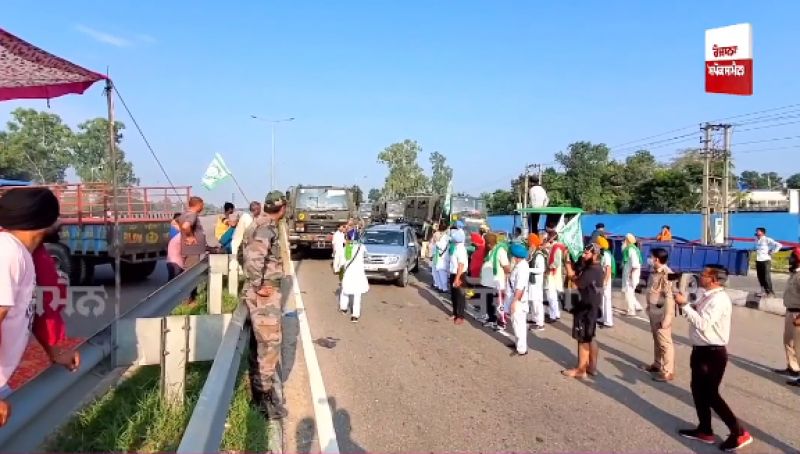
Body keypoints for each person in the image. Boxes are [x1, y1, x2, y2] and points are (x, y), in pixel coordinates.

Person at [0, 188, 79, 427]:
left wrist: (54, 351)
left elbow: (27, 311)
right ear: (44, 220)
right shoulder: (9, 253)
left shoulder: (23, 253)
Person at [675, 265, 753, 451]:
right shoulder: (707, 295)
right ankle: (705, 430)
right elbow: (700, 315)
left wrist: (685, 305)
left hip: (713, 353)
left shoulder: (719, 300)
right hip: (701, 350)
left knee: (711, 395)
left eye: (705, 275)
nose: (701, 276)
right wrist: (688, 305)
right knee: (697, 390)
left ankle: (738, 432)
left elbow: (703, 323)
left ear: (715, 279)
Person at [242, 191, 289, 420]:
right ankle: (264, 398)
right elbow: (253, 258)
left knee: (259, 344)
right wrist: (257, 284)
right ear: (283, 208)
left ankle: (259, 393)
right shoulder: (265, 227)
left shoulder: (259, 223)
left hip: (261, 292)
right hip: (264, 295)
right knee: (270, 345)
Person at [561, 244, 604, 379]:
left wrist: (568, 267)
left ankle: (581, 369)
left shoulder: (591, 270)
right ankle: (592, 367)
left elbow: (576, 283)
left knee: (583, 339)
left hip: (585, 307)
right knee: (590, 337)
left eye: (587, 254)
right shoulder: (597, 268)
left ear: (595, 255)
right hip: (593, 306)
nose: (584, 256)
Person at [644, 248, 676, 382]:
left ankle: (668, 371)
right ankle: (657, 364)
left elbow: (670, 297)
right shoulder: (654, 272)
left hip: (662, 313)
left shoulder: (667, 274)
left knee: (665, 343)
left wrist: (667, 317)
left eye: (651, 257)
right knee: (656, 339)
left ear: (656, 259)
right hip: (653, 311)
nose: (649, 259)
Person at [334, 229, 369, 322]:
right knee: (357, 295)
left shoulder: (347, 248)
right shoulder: (361, 247)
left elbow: (342, 262)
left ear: (348, 237)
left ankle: (344, 308)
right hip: (359, 274)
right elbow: (366, 256)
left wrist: (340, 268)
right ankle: (355, 316)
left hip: (349, 273)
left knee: (345, 291)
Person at [777, 246, 800, 383]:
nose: (789, 260)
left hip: (798, 314)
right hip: (790, 311)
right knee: (788, 342)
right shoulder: (794, 274)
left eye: (792, 258)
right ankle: (793, 367)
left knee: (798, 345)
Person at [179, 196, 207, 304]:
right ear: (198, 205)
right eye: (202, 205)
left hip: (189, 250)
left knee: (189, 274)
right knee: (191, 275)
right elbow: (186, 226)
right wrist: (190, 236)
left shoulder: (184, 214)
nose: (203, 207)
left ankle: (190, 298)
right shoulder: (192, 214)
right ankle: (189, 299)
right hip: (192, 251)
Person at [480, 233, 511, 330]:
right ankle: (492, 319)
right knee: (489, 302)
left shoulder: (500, 251)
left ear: (489, 243)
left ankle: (502, 322)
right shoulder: (491, 250)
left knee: (499, 304)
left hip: (497, 282)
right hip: (488, 282)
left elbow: (506, 267)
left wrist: (505, 279)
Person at [507, 243, 530, 355]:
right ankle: (518, 344)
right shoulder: (520, 265)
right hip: (516, 298)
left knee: (518, 323)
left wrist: (515, 302)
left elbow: (520, 287)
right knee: (516, 323)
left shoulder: (522, 268)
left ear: (515, 256)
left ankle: (521, 349)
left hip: (519, 300)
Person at [527, 233, 547, 332]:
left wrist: (528, 269)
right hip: (531, 281)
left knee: (537, 302)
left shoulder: (539, 255)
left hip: (536, 282)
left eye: (529, 243)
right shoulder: (532, 254)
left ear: (533, 244)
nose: (528, 245)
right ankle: (534, 319)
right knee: (532, 301)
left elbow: (541, 269)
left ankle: (540, 323)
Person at [545, 233, 566, 322]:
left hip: (552, 274)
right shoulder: (555, 247)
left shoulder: (556, 247)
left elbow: (556, 262)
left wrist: (549, 268)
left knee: (551, 296)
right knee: (553, 296)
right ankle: (556, 314)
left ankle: (553, 316)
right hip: (554, 274)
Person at [755, 227, 782, 297]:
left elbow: (779, 245)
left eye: (758, 231)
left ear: (762, 232)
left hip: (766, 261)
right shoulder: (756, 240)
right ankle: (763, 291)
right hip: (758, 260)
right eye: (756, 231)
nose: (757, 232)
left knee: (766, 277)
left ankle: (770, 292)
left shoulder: (767, 239)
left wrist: (773, 251)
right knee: (760, 277)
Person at [449, 229, 469, 325]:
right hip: (453, 273)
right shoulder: (456, 247)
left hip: (460, 275)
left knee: (460, 297)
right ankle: (455, 313)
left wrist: (457, 278)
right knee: (453, 296)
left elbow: (461, 265)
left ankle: (460, 316)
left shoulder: (461, 249)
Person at [622, 233, 644, 316]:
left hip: (631, 274)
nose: (623, 241)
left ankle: (631, 311)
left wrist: (631, 274)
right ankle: (637, 306)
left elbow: (635, 264)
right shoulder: (633, 249)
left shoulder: (630, 249)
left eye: (625, 239)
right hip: (632, 273)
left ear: (627, 240)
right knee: (630, 292)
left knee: (628, 292)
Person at [597, 236, 615, 328]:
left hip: (605, 280)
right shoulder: (601, 254)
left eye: (597, 243)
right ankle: (603, 318)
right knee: (602, 299)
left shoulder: (606, 255)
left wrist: (605, 281)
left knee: (607, 300)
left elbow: (608, 269)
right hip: (602, 279)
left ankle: (608, 321)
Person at [433, 223, 451, 294]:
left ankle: (444, 288)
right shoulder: (445, 236)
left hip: (442, 258)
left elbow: (441, 246)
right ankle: (441, 287)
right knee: (439, 273)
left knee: (442, 273)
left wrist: (437, 242)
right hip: (441, 257)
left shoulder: (445, 237)